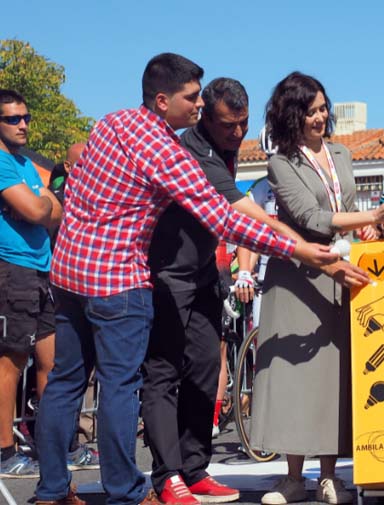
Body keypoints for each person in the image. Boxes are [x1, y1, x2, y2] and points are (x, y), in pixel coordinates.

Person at [34, 54, 337, 505]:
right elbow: (224, 218)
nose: (197, 105)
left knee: (65, 383)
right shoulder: (165, 151)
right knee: (121, 388)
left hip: (69, 271)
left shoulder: (110, 123)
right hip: (119, 280)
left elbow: (75, 188)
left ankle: (52, 490)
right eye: (191, 97)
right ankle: (127, 493)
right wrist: (298, 248)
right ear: (162, 101)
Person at [143, 77, 303, 504]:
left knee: (204, 371)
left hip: (204, 275)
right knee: (164, 374)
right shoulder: (193, 149)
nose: (236, 134)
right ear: (205, 118)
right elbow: (245, 214)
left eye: (243, 125)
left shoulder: (229, 147)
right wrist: (305, 244)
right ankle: (167, 476)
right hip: (166, 275)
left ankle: (195, 470)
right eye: (228, 126)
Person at [251, 71, 384, 505]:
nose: (321, 117)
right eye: (311, 111)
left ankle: (331, 475)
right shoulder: (281, 163)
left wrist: (369, 230)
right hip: (298, 276)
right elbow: (310, 219)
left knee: (337, 376)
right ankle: (293, 476)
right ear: (292, 115)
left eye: (323, 109)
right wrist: (370, 219)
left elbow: (345, 210)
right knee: (295, 374)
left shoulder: (341, 154)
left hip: (342, 271)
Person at [0, 89, 61, 479]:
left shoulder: (24, 163)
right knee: (10, 362)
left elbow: (52, 212)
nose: (23, 124)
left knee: (52, 362)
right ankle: (4, 450)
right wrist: (42, 204)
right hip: (13, 269)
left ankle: (52, 445)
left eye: (26, 117)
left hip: (42, 267)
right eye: (12, 119)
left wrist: (42, 204)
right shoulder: (4, 164)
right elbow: (39, 209)